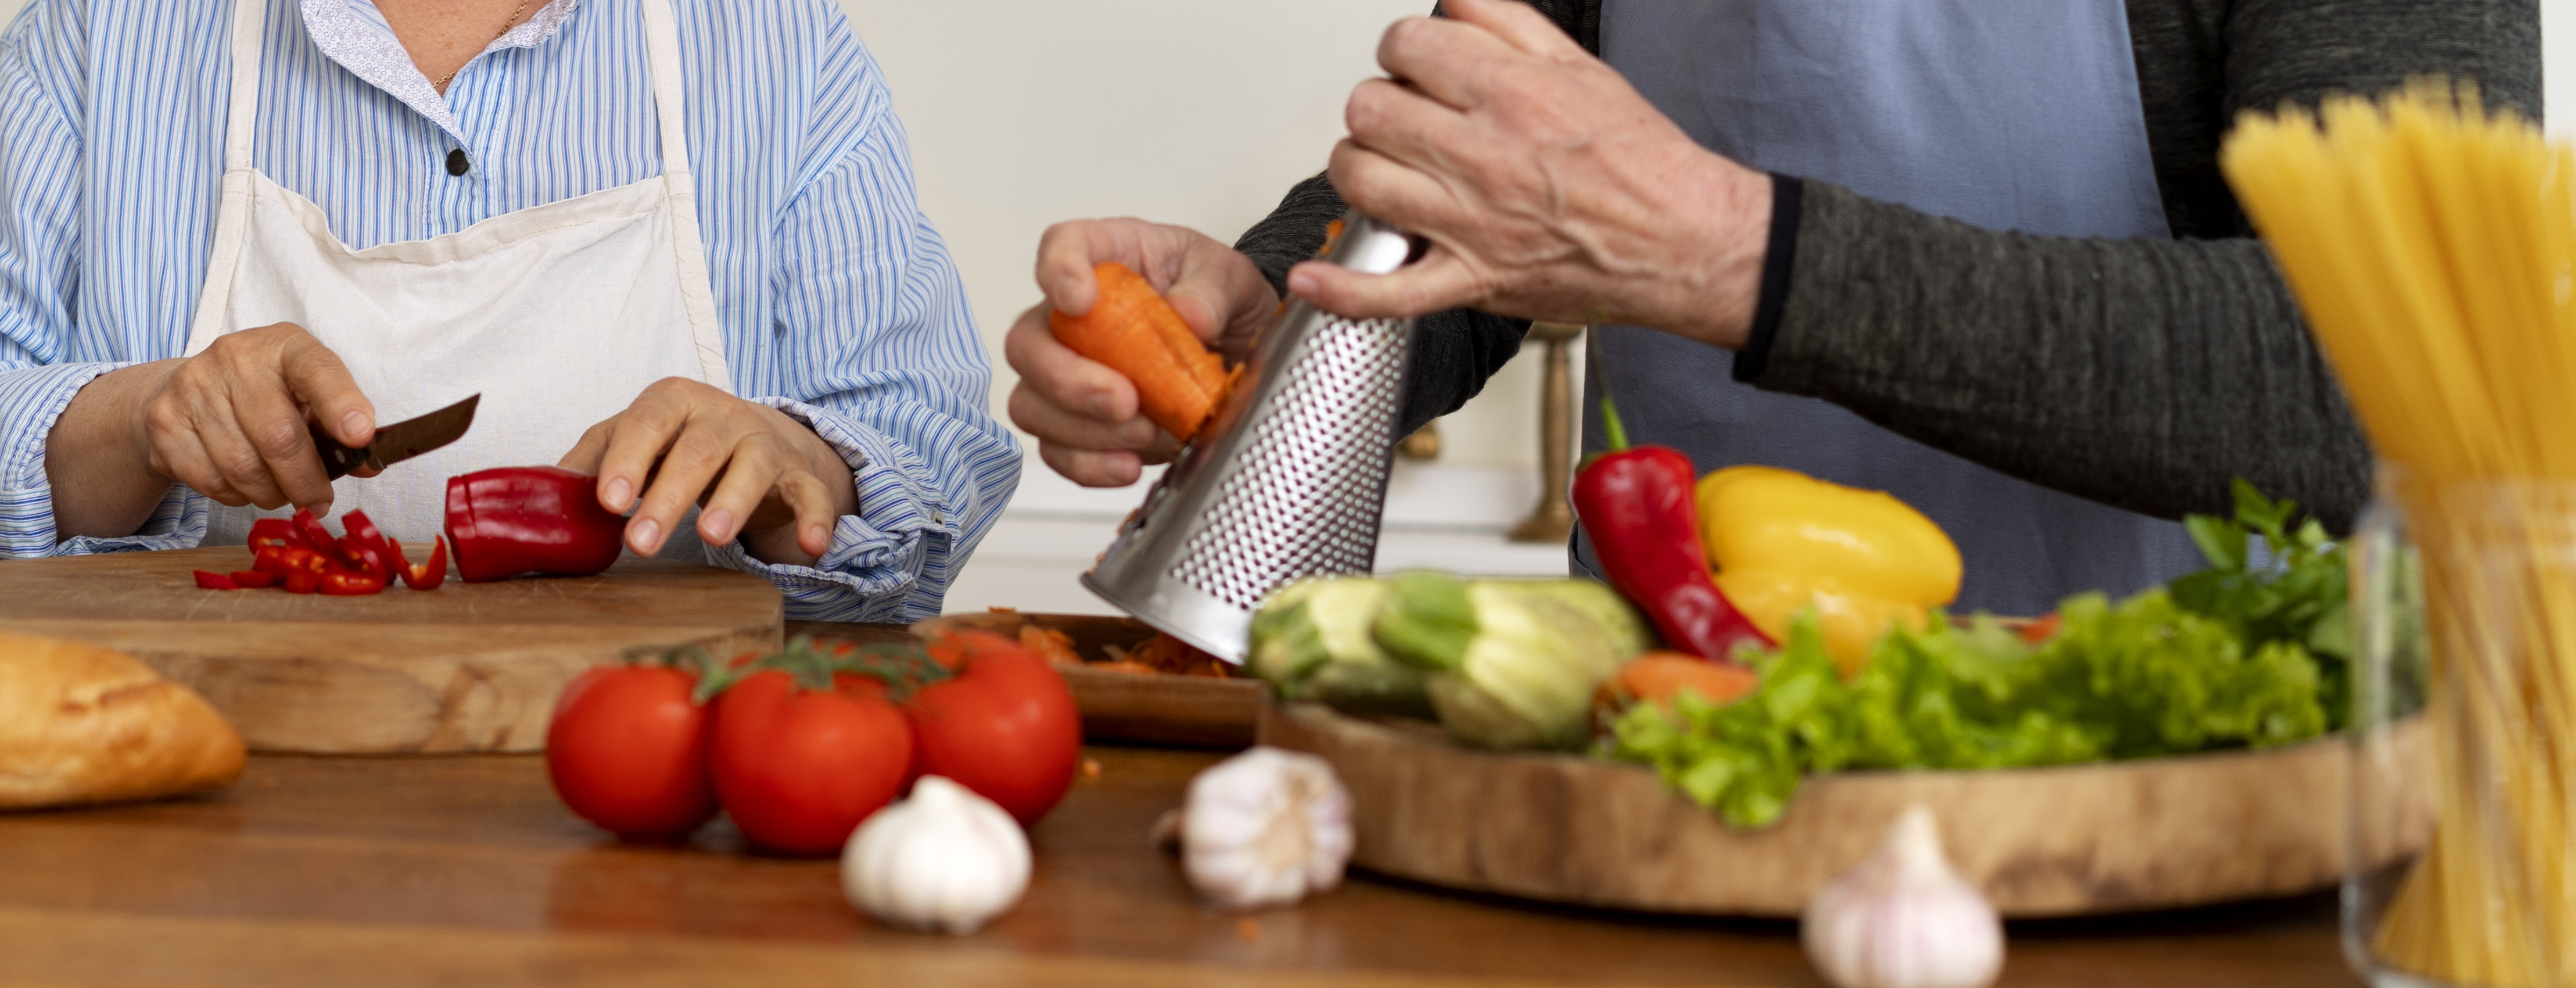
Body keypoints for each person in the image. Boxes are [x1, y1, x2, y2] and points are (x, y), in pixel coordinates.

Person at [1007, 0, 2536, 615]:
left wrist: (1726, 252)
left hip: (2166, 796)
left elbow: (2403, 374)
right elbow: (1479, 213)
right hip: (1678, 766)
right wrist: (1264, 319)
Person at [0, 0, 1019, 621]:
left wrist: (797, 464)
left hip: (668, 796)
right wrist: (142, 421)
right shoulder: (97, 29)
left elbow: (930, 456)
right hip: (183, 781)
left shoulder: (777, 41)